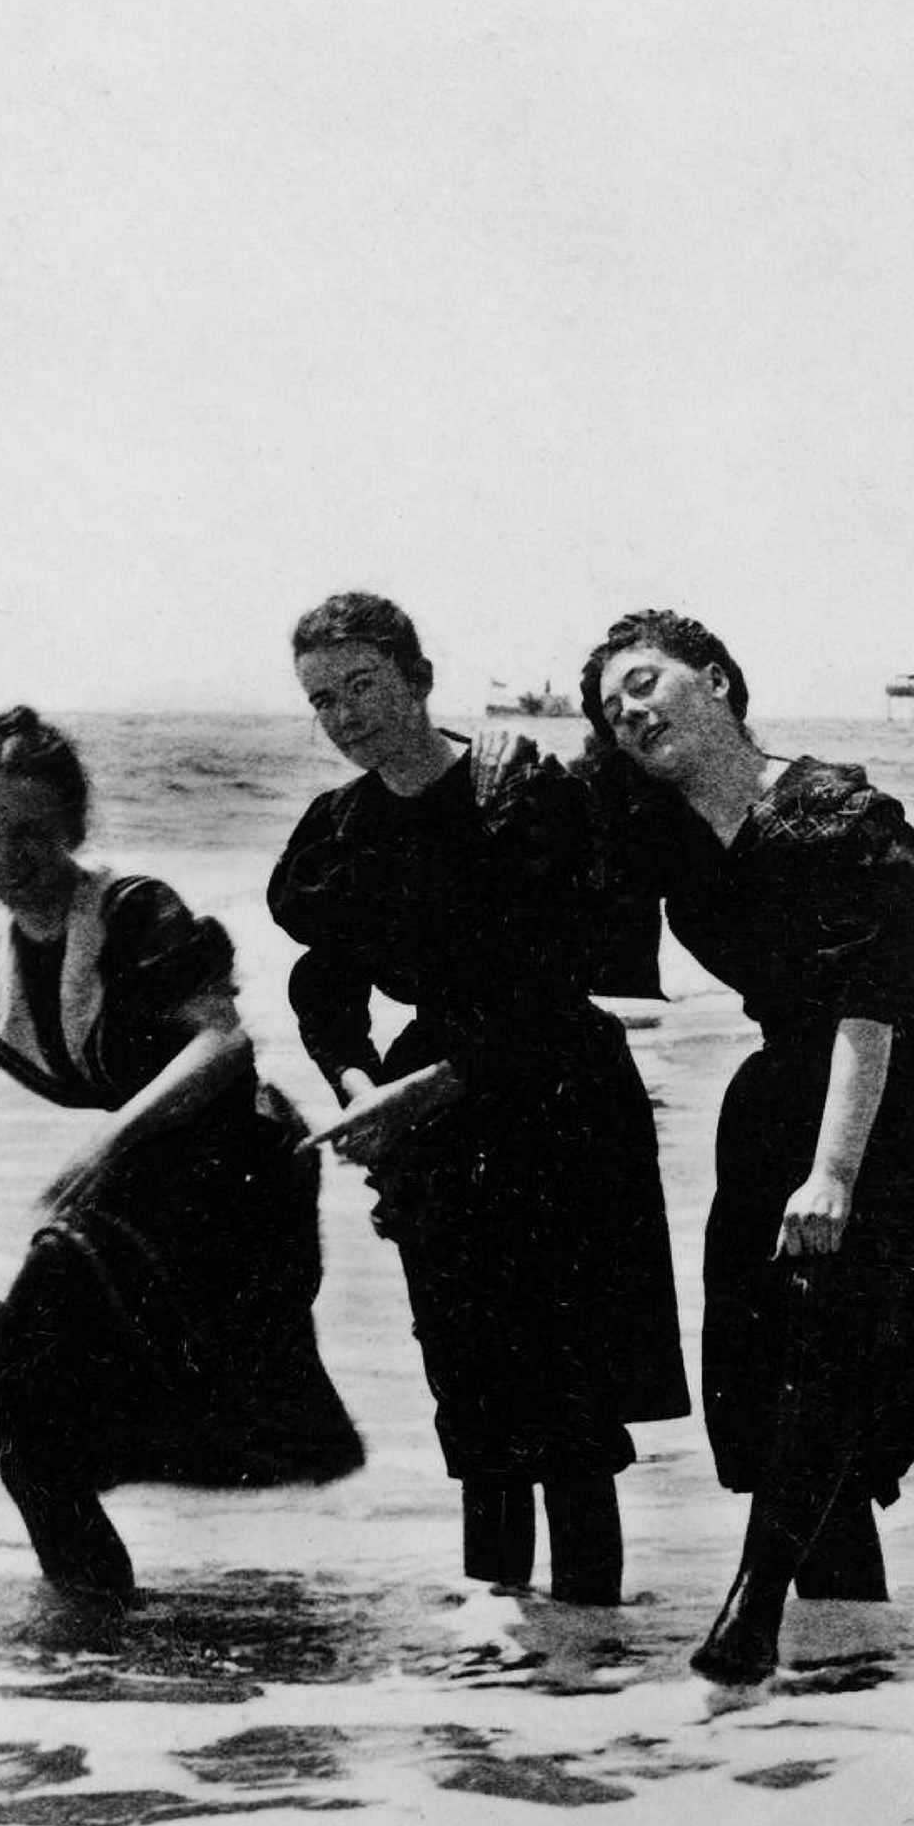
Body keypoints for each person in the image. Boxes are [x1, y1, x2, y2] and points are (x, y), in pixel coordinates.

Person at [0, 709, 363, 1619]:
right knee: (38, 1455)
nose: (7, 855)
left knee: (61, 1250)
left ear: (74, 827)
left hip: (237, 1187)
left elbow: (224, 1044)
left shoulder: (134, 911)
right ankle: (97, 1651)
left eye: (31, 831)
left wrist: (110, 1141)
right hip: (133, 1202)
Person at [581, 610, 914, 1685]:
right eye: (609, 707)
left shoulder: (830, 809)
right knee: (783, 1388)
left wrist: (832, 1172)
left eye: (647, 684)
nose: (630, 713)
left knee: (830, 1371)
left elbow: (867, 1001)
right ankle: (847, 1678)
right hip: (780, 1093)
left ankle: (754, 1614)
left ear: (719, 682)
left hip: (901, 1108)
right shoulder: (653, 826)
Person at [268, 593, 687, 1606]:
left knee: (570, 1411)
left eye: (364, 686)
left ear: (418, 678)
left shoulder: (520, 793)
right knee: (474, 1404)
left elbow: (560, 979)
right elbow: (320, 984)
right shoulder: (337, 830)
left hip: (557, 1101)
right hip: (435, 1121)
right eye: (323, 700)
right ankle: (497, 1649)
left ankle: (588, 1653)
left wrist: (418, 1094)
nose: (346, 715)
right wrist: (360, 1085)